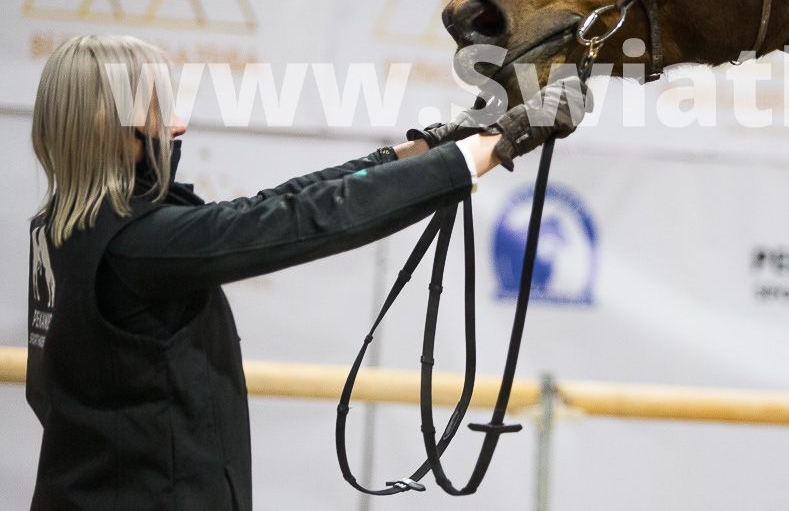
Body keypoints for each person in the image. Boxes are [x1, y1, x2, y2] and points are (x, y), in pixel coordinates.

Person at [24, 35, 586, 510]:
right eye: (154, 109)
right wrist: (496, 146)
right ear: (106, 125)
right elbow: (307, 218)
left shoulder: (63, 229)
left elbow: (277, 203)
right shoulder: (137, 246)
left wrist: (422, 150)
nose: (177, 125)